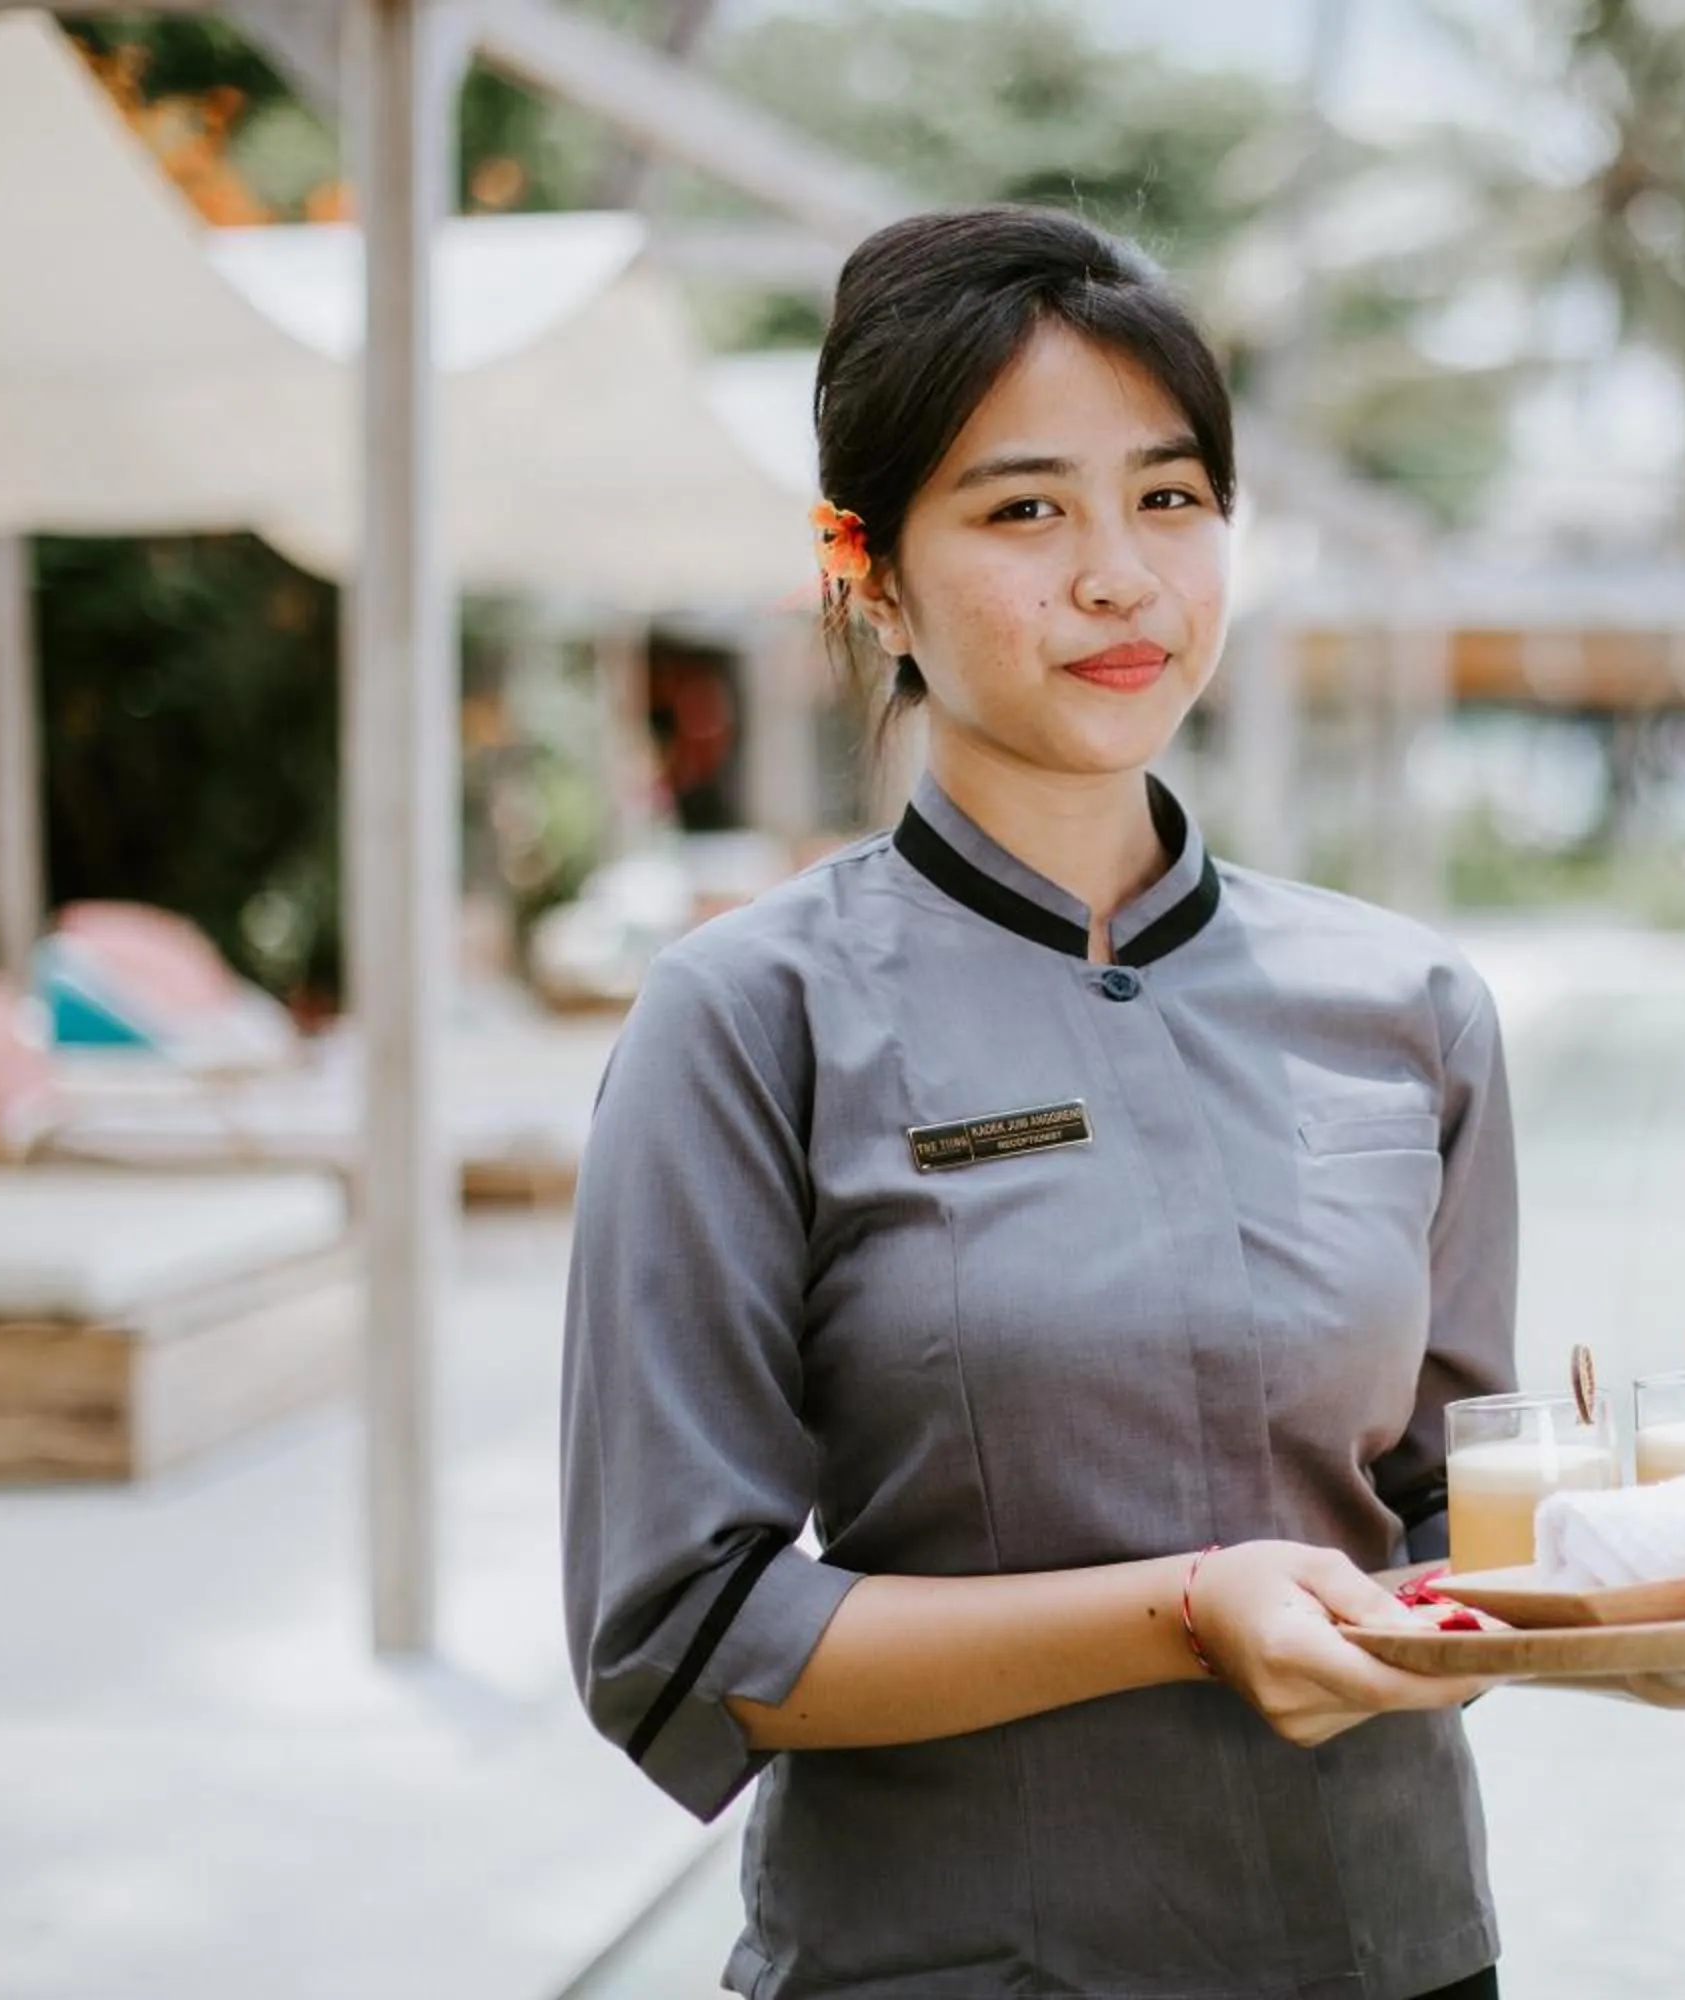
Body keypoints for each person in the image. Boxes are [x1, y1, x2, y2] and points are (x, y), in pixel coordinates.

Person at [561, 203, 1514, 2000]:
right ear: (869, 572)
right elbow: (684, 1632)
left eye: (1171, 497)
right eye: (1025, 511)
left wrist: (1658, 1608)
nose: (1120, 577)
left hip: (1389, 1951)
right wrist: (1181, 1614)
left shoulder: (1411, 1007)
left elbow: (1461, 1514)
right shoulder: (748, 1019)